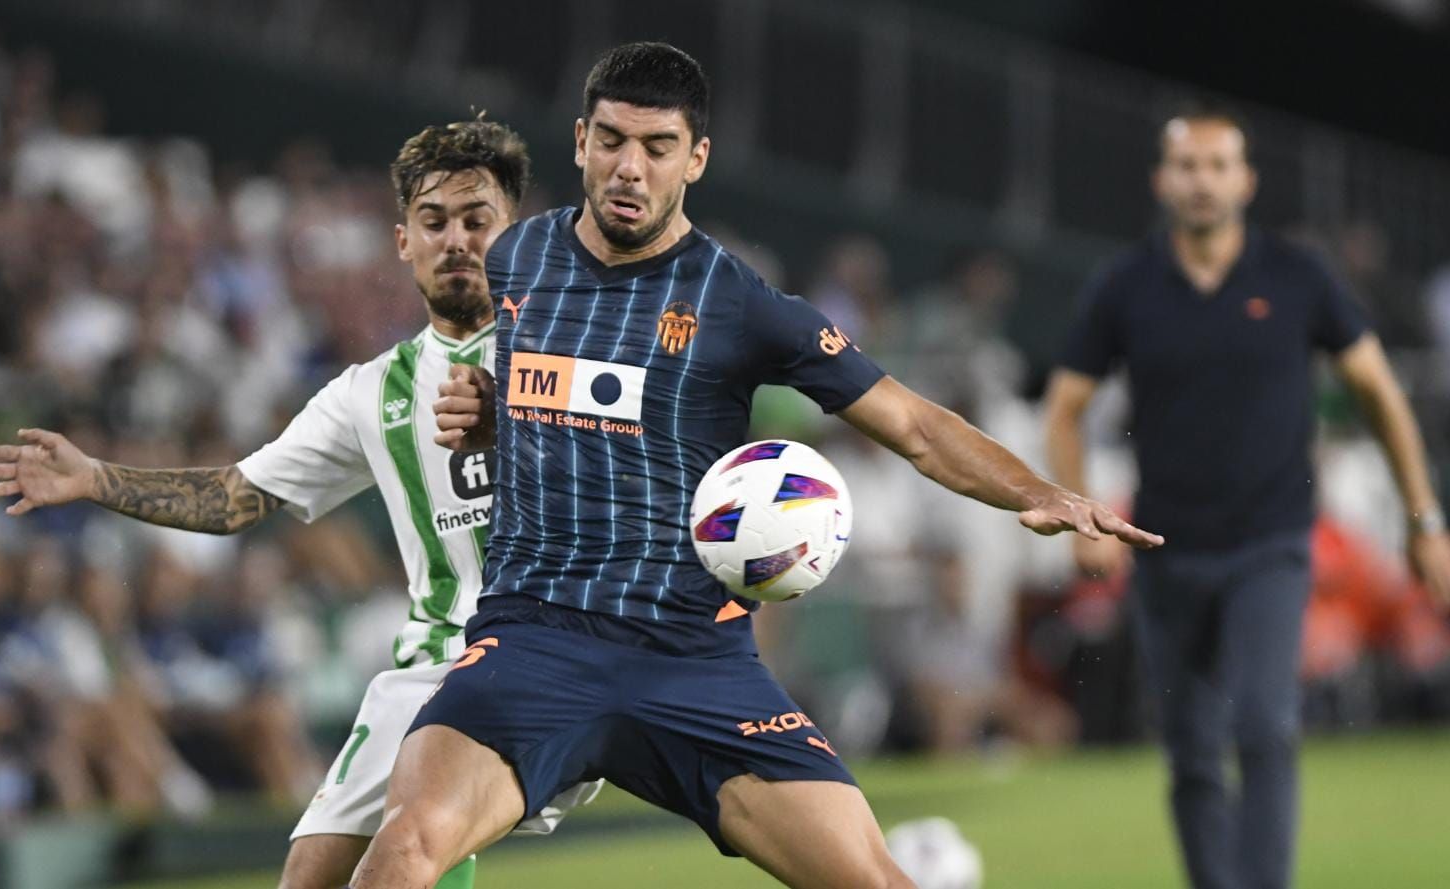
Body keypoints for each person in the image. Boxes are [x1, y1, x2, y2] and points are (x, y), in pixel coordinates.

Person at [350, 42, 1161, 889]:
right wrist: (494, 413)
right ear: (582, 140)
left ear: (696, 158)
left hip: (692, 659)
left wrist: (1038, 490)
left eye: (659, 147)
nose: (631, 167)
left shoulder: (738, 301)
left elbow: (915, 425)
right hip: (533, 641)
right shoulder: (517, 258)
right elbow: (516, 377)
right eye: (613, 140)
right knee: (399, 855)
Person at [0, 119, 597, 889]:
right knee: (309, 874)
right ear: (403, 241)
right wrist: (96, 478)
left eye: (478, 220)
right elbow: (237, 498)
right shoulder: (371, 392)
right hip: (432, 664)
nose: (456, 241)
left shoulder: (570, 345)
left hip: (548, 650)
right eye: (434, 221)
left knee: (405, 849)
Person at [1043, 107, 1450, 889]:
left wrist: (1424, 517)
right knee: (1192, 750)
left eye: (1218, 165)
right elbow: (1064, 406)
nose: (1202, 181)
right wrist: (1078, 513)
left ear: (1247, 181)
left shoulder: (1298, 276)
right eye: (1187, 165)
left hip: (1271, 544)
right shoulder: (1126, 284)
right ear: (1162, 180)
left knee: (1265, 724)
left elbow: (1378, 390)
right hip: (1163, 550)